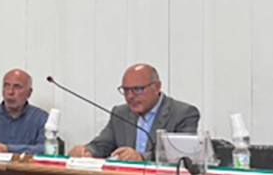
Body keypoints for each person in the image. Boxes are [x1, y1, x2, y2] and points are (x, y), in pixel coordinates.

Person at [68, 63, 199, 161]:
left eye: (137, 89)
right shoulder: (120, 113)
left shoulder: (183, 114)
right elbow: (103, 145)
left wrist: (141, 157)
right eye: (126, 90)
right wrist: (86, 151)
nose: (130, 96)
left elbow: (181, 155)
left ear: (157, 87)